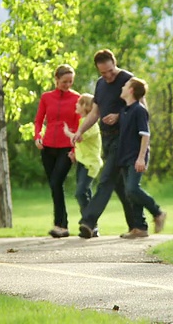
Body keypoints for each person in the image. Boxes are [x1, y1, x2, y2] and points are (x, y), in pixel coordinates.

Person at [73, 49, 145, 238]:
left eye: (111, 71)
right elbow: (95, 113)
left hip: (124, 140)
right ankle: (138, 226)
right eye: (103, 72)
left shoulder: (129, 80)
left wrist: (120, 116)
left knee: (105, 181)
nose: (108, 76)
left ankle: (88, 221)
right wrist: (80, 130)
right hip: (107, 139)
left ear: (115, 63)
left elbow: (142, 110)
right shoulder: (100, 84)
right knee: (121, 186)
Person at [109, 77, 167, 239]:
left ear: (131, 90)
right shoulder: (125, 110)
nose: (122, 86)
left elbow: (145, 135)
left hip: (136, 157)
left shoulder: (139, 110)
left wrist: (141, 158)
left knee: (132, 189)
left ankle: (158, 212)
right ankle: (140, 227)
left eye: (126, 85)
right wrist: (116, 117)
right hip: (125, 157)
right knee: (129, 192)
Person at [34, 64, 81, 238]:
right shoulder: (46, 97)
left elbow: (78, 126)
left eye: (70, 81)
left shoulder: (77, 98)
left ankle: (59, 224)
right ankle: (63, 226)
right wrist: (37, 136)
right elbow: (39, 120)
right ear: (56, 80)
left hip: (67, 148)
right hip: (47, 148)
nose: (68, 85)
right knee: (55, 186)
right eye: (64, 81)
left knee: (56, 182)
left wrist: (75, 149)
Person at [63, 93, 103, 237]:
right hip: (82, 162)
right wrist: (75, 154)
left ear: (85, 106)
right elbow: (82, 144)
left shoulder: (91, 124)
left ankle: (88, 221)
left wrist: (67, 132)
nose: (76, 105)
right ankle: (91, 227)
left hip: (90, 165)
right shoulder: (82, 121)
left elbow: (78, 138)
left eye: (79, 103)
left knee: (80, 193)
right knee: (86, 193)